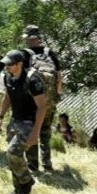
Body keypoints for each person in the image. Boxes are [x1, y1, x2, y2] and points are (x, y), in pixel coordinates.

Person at [0, 50, 47, 194]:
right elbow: (7, 98)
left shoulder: (32, 80)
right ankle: (19, 190)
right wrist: (0, 117)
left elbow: (42, 107)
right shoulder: (8, 78)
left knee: (13, 152)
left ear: (20, 64)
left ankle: (26, 181)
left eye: (10, 64)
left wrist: (35, 133)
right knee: (12, 157)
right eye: (6, 64)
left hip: (28, 123)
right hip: (14, 121)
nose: (7, 67)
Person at [22, 25, 64, 173]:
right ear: (39, 38)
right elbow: (59, 76)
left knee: (32, 130)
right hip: (50, 100)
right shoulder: (50, 53)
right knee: (45, 132)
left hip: (33, 101)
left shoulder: (25, 54)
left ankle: (33, 165)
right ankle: (47, 164)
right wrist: (57, 95)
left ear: (27, 39)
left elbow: (22, 79)